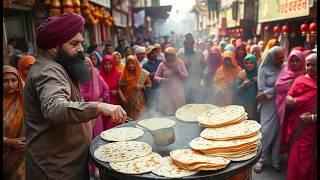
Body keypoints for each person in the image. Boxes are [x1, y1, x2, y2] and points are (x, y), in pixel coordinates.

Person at [23, 13, 126, 180]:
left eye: (81, 43)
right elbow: (55, 108)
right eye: (74, 44)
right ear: (54, 46)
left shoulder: (60, 66)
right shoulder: (48, 71)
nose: (81, 49)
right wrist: (98, 106)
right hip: (55, 171)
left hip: (69, 164)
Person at [281, 53, 317, 180]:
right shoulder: (300, 80)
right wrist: (289, 100)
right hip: (297, 125)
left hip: (312, 129)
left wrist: (313, 118)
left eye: (314, 65)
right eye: (308, 65)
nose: (310, 67)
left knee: (308, 157)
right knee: (296, 155)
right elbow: (289, 96)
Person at [254, 46, 285, 173]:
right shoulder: (264, 69)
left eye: (283, 57)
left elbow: (287, 84)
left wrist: (270, 91)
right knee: (266, 132)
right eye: (278, 58)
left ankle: (275, 160)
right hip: (268, 105)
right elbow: (261, 90)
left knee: (279, 133)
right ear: (272, 58)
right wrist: (271, 92)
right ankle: (261, 159)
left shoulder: (285, 67)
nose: (282, 60)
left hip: (282, 104)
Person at [78, 57, 111, 177]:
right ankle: (88, 167)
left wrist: (101, 100)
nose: (85, 68)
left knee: (96, 141)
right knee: (84, 142)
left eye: (88, 65)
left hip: (96, 117)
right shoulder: (76, 80)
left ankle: (97, 166)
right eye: (82, 65)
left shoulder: (97, 77)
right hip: (81, 117)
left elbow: (106, 90)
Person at [3, 66, 26, 180]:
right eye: (5, 81)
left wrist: (28, 142)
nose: (10, 84)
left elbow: (36, 125)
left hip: (21, 153)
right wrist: (8, 142)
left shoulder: (25, 101)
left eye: (13, 80)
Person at [275, 50, 306, 128]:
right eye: (292, 61)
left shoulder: (307, 73)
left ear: (302, 61)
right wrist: (292, 81)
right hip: (285, 107)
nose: (294, 63)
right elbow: (278, 87)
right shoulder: (285, 71)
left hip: (301, 107)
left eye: (297, 60)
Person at [154, 47, 188, 115]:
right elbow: (156, 77)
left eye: (171, 55)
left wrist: (178, 72)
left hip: (177, 91)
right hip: (166, 92)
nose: (169, 57)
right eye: (167, 55)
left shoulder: (180, 63)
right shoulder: (162, 64)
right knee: (168, 113)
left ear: (175, 55)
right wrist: (163, 80)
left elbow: (186, 76)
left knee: (179, 112)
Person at [119, 55, 152, 120]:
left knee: (141, 116)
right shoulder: (124, 74)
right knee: (130, 118)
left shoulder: (143, 73)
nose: (131, 65)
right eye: (129, 63)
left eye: (133, 63)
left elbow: (150, 85)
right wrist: (122, 97)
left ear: (136, 63)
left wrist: (142, 86)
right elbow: (119, 88)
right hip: (128, 100)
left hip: (139, 99)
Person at [177, 33, 206, 103]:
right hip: (184, 83)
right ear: (184, 44)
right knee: (187, 102)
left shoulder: (199, 53)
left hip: (197, 81)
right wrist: (184, 67)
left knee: (197, 102)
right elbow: (176, 69)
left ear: (193, 43)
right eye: (186, 44)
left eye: (191, 44)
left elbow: (204, 66)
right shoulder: (179, 55)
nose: (189, 46)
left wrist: (204, 75)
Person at [232, 54, 258, 120]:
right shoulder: (241, 74)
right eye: (246, 63)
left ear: (255, 63)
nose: (248, 65)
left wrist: (258, 81)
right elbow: (236, 91)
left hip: (255, 104)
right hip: (243, 104)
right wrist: (243, 85)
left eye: (251, 63)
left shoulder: (259, 73)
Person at [100, 55, 123, 126]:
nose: (108, 66)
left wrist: (117, 92)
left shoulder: (118, 74)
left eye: (110, 64)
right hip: (104, 102)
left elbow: (121, 88)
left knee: (115, 121)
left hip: (115, 101)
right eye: (105, 64)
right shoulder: (99, 75)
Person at [143, 45, 162, 113]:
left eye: (155, 52)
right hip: (151, 89)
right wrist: (152, 74)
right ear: (148, 55)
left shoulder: (160, 61)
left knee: (161, 105)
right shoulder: (145, 65)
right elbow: (144, 78)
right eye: (152, 53)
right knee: (152, 106)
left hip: (161, 87)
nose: (154, 54)